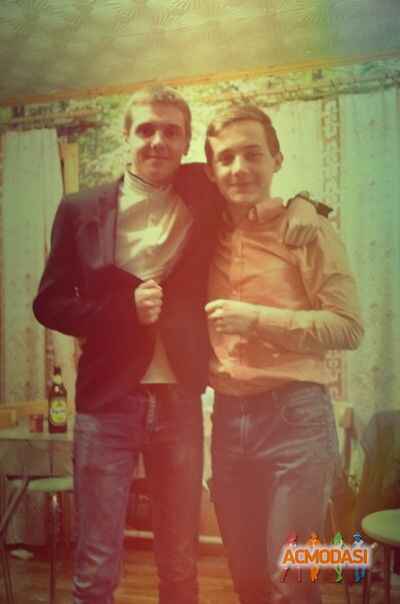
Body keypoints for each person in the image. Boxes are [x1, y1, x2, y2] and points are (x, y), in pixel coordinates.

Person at [33, 87, 325, 604]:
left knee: (180, 563)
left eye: (172, 131)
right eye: (146, 129)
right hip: (106, 402)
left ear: (187, 142)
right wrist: (121, 311)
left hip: (181, 400)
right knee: (96, 567)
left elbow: (255, 188)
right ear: (126, 137)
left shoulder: (203, 191)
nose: (158, 141)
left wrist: (304, 202)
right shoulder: (79, 208)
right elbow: (49, 303)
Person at [204, 104, 364, 604]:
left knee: (294, 585)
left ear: (277, 158)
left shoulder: (308, 230)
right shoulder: (203, 232)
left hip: (297, 420)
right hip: (228, 422)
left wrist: (256, 318)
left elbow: (348, 327)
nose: (239, 168)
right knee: (247, 580)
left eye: (253, 154)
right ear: (210, 171)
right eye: (225, 158)